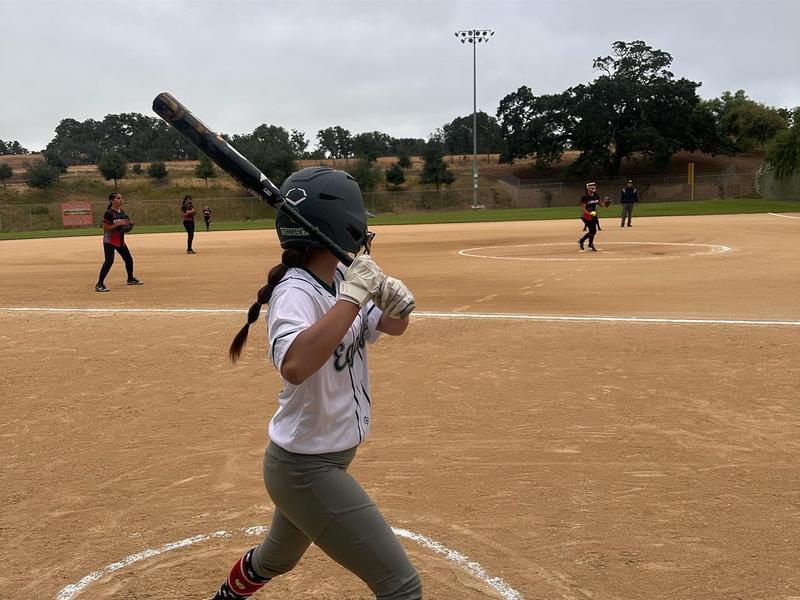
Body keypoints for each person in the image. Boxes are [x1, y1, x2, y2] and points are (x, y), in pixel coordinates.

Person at [209, 167, 421, 600]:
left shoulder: (343, 279)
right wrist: (351, 299)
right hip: (305, 469)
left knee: (276, 559)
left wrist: (396, 305)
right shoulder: (296, 292)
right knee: (402, 587)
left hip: (321, 458)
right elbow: (296, 364)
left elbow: (390, 328)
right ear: (344, 226)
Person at [95, 192, 143, 292]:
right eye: (118, 198)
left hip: (120, 240)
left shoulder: (122, 212)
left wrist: (130, 224)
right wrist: (119, 224)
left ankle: (130, 279)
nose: (120, 200)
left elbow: (126, 225)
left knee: (128, 259)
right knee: (109, 261)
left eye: (121, 198)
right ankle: (99, 284)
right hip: (109, 240)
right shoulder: (108, 212)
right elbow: (106, 228)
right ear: (112, 200)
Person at [578, 182, 603, 251]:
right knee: (593, 231)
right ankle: (588, 244)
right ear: (587, 188)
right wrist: (589, 214)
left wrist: (605, 204)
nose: (593, 187)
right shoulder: (585, 197)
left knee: (593, 231)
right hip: (586, 216)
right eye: (591, 186)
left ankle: (583, 241)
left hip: (593, 215)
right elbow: (583, 208)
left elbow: (600, 204)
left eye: (594, 185)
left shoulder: (596, 195)